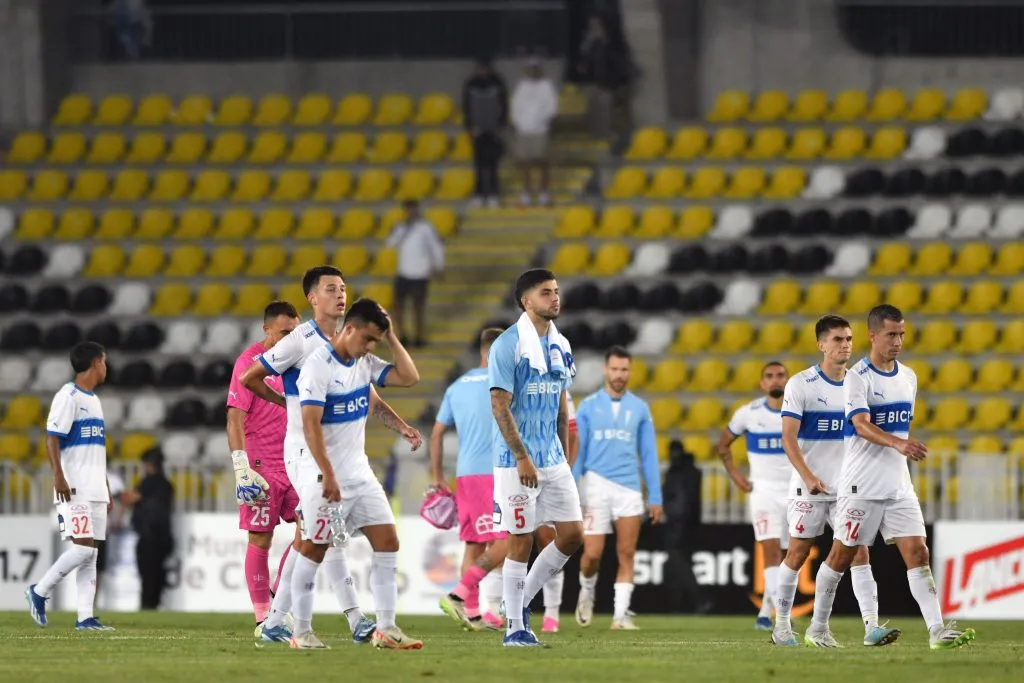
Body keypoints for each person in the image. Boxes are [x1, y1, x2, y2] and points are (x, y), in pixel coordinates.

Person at [241, 266, 409, 645]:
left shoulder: (350, 342)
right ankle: (322, 621)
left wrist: (397, 424)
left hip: (341, 455)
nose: (340, 294)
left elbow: (368, 391)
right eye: (331, 288)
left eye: (343, 288)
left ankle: (286, 622)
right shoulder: (300, 342)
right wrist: (287, 403)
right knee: (316, 536)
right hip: (306, 452)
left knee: (318, 536)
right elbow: (250, 377)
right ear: (312, 298)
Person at [810, 305, 976, 650]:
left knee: (918, 553)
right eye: (891, 334)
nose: (898, 341)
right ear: (873, 336)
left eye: (901, 334)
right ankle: (817, 628)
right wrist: (898, 442)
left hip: (898, 485)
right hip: (861, 485)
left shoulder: (909, 376)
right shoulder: (857, 376)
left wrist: (899, 447)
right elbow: (860, 424)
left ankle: (937, 631)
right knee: (841, 556)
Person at [291, 299, 423, 650]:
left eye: (374, 343)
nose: (369, 347)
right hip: (324, 477)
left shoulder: (363, 362)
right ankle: (301, 632)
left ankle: (386, 628)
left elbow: (409, 377)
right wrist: (328, 474)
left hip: (360, 475)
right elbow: (310, 426)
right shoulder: (318, 366)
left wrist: (392, 336)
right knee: (313, 549)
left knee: (387, 542)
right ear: (348, 329)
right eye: (366, 339)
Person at [771, 315, 897, 648]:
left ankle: (868, 626)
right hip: (809, 485)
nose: (846, 345)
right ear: (821, 344)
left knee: (859, 553)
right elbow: (788, 438)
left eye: (850, 339)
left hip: (849, 487)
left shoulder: (861, 383)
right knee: (797, 554)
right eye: (838, 339)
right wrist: (808, 476)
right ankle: (781, 625)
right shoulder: (802, 384)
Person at [489, 268, 583, 647]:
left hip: (552, 457)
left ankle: (521, 600)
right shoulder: (507, 345)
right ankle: (514, 627)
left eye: (557, 291)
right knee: (521, 541)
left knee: (573, 534)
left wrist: (559, 451)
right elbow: (499, 405)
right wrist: (522, 456)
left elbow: (561, 405)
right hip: (517, 460)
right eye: (546, 293)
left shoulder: (560, 344)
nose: (555, 298)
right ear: (526, 302)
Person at [573, 346, 663, 630]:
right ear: (605, 369)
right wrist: (572, 488)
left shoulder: (640, 408)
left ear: (630, 371)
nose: (619, 374)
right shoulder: (587, 406)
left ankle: (620, 615)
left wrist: (655, 496)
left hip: (629, 488)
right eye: (614, 369)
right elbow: (580, 450)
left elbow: (648, 454)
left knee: (627, 552)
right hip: (595, 485)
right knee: (593, 554)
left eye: (624, 369)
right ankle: (587, 590)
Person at [26, 342, 115, 630]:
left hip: (95, 488)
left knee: (91, 553)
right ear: (94, 363)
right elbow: (52, 437)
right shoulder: (68, 396)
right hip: (73, 486)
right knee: (83, 549)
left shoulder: (94, 400)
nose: (106, 367)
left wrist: (105, 486)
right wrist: (58, 476)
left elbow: (95, 449)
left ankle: (85, 617)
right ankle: (39, 591)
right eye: (104, 361)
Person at [227, 301, 301, 626]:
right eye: (285, 332)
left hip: (295, 463)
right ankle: (262, 616)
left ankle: (276, 594)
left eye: (295, 332)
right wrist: (241, 466)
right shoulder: (250, 362)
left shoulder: (297, 362)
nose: (290, 338)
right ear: (267, 329)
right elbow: (234, 418)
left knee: (312, 530)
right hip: (261, 465)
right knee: (261, 538)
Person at [434, 328, 509, 631]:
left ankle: (474, 614)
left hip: (465, 474)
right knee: (508, 540)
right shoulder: (501, 384)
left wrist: (438, 474)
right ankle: (460, 594)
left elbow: (437, 432)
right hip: (493, 472)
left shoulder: (456, 386)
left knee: (474, 543)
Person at [716, 361, 790, 630]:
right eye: (769, 377)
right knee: (770, 550)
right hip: (763, 491)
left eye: (780, 376)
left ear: (788, 380)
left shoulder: (799, 412)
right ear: (762, 383)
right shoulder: (748, 413)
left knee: (787, 555)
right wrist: (736, 477)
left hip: (795, 492)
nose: (775, 381)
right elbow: (723, 445)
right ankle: (782, 617)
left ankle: (767, 608)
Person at [530, 387, 579, 633]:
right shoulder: (522, 377)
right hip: (524, 470)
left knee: (550, 541)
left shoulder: (560, 387)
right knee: (521, 539)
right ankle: (504, 606)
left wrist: (565, 467)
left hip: (552, 472)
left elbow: (571, 430)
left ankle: (551, 614)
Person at [386, 199, 445, 348]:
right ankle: (403, 335)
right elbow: (389, 244)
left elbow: (436, 247)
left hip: (420, 273)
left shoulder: (426, 228)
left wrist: (438, 266)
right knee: (398, 305)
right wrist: (398, 230)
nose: (410, 213)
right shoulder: (400, 227)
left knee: (418, 307)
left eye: (412, 209)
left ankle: (419, 337)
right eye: (407, 210)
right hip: (403, 272)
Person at [662, 440, 709, 614]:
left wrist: (672, 520)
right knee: (677, 566)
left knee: (679, 565)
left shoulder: (677, 473)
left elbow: (678, 503)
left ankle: (699, 600)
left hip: (678, 527)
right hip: (690, 526)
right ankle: (678, 605)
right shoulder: (692, 472)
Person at [129, 448, 174, 610]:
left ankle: (147, 604)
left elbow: (131, 497)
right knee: (157, 573)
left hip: (149, 535)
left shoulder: (148, 482)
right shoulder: (166, 484)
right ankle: (154, 603)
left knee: (147, 574)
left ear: (149, 464)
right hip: (164, 536)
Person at [510, 58, 559, 207]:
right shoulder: (521, 86)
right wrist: (519, 123)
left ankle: (544, 193)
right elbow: (515, 107)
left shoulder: (547, 86)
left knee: (542, 162)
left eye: (535, 68)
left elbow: (552, 108)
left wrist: (541, 121)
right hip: (524, 130)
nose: (533, 71)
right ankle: (527, 194)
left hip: (540, 129)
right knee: (525, 163)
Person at [462, 58, 509, 208]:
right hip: (477, 131)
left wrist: (501, 125)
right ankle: (479, 194)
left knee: (493, 164)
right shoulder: (470, 84)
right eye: (480, 69)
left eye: (485, 69)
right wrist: (469, 127)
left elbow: (504, 105)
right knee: (479, 165)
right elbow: (466, 107)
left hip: (494, 130)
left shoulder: (498, 83)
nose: (482, 72)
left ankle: (494, 194)